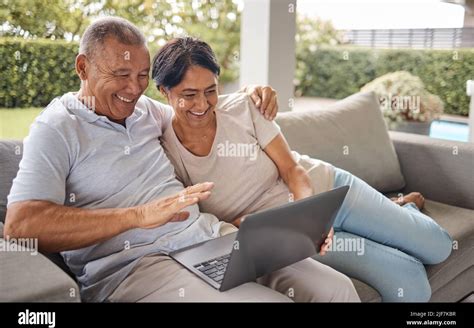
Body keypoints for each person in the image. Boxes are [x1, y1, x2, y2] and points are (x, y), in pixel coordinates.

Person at [4, 17, 359, 303]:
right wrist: (138, 217)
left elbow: (195, 105)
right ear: (83, 67)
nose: (132, 89)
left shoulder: (144, 111)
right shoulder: (56, 128)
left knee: (336, 288)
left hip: (205, 237)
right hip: (135, 267)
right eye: (121, 75)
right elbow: (21, 226)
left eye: (142, 76)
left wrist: (251, 95)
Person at [155, 37, 453, 302]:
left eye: (210, 90)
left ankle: (405, 208)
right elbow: (200, 222)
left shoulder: (244, 108)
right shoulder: (162, 152)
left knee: (439, 248)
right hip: (289, 235)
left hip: (326, 191)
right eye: (189, 94)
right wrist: (258, 225)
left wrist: (309, 219)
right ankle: (397, 209)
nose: (203, 104)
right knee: (412, 287)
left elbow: (292, 169)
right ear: (163, 92)